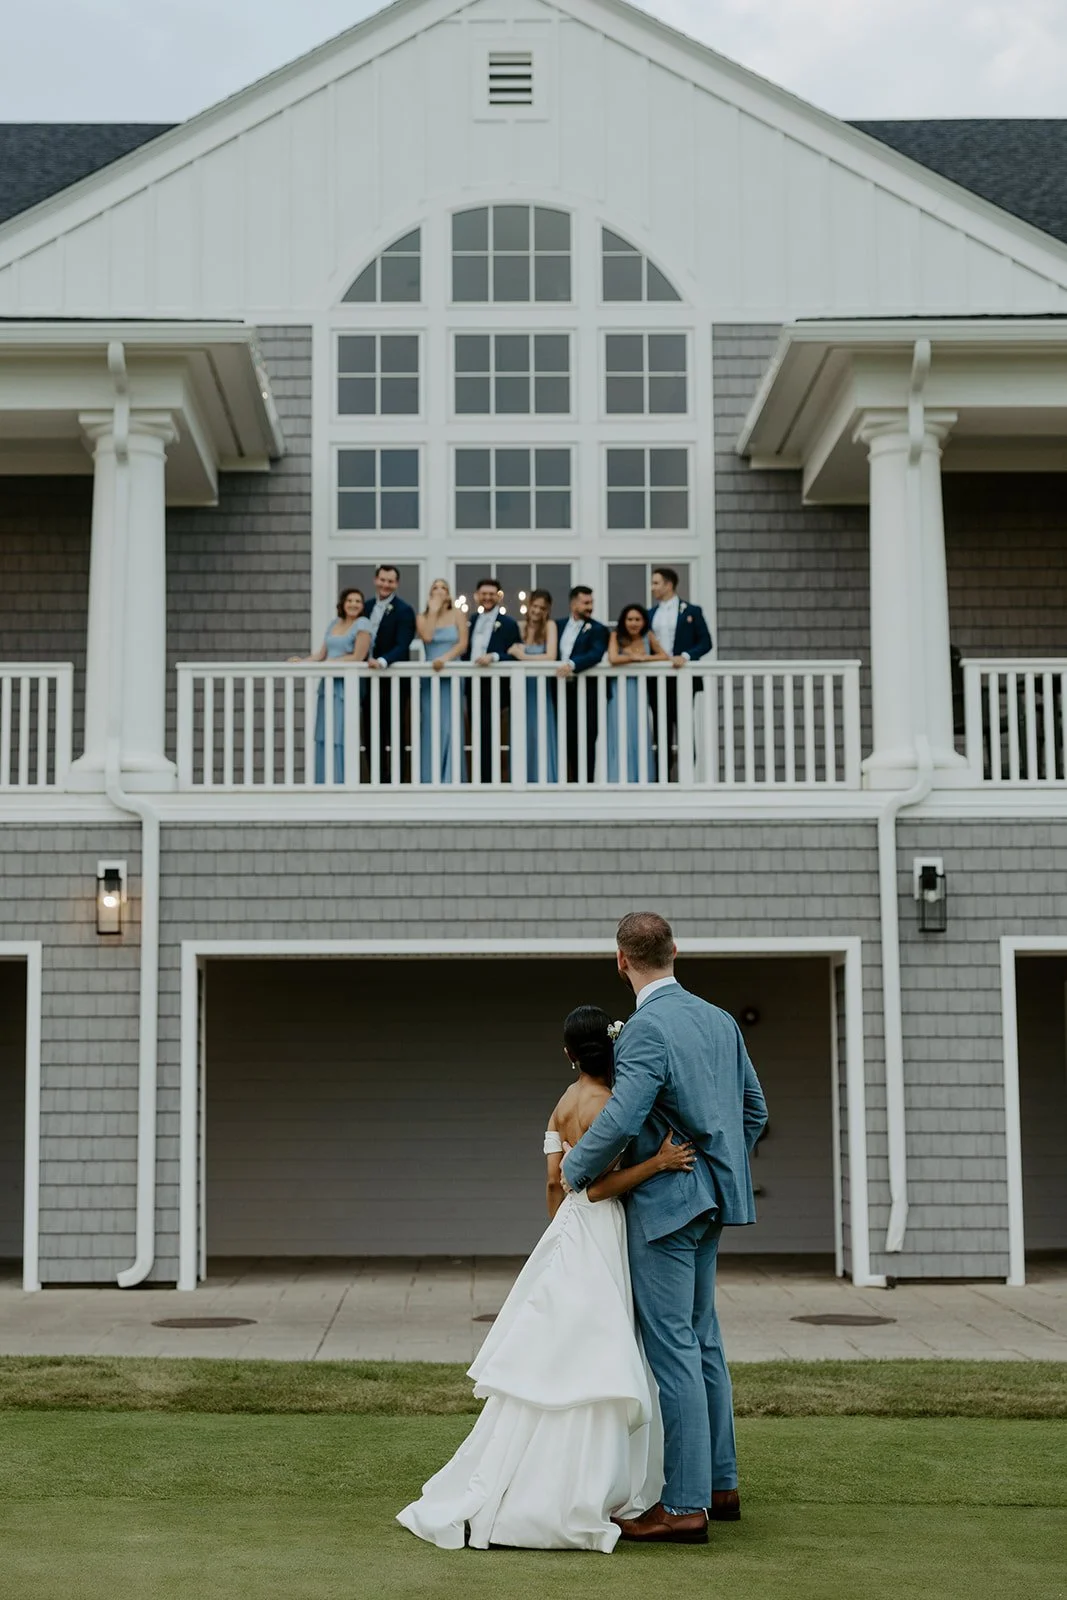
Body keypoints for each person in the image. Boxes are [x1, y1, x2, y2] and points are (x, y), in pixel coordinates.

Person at [397, 1004, 697, 1552]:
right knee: (594, 1351)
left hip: (566, 1234)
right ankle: (582, 1489)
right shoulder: (608, 1103)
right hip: (599, 1229)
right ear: (613, 1049)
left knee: (559, 1351)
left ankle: (526, 1483)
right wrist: (658, 1164)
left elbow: (556, 1184)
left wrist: (560, 1235)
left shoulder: (563, 1102)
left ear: (568, 1054)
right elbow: (596, 1187)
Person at [562, 912, 768, 1545]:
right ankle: (721, 1485)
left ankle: (683, 1507)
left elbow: (622, 1119)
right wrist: (716, 1174)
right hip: (710, 1206)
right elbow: (753, 1112)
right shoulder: (720, 1020)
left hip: (667, 1209)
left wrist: (575, 1168)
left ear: (621, 961)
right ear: (674, 951)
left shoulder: (646, 1029)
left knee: (674, 1349)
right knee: (703, 1341)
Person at [288, 587, 372, 784]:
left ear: (362, 606)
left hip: (346, 685)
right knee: (325, 730)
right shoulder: (335, 623)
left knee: (341, 731)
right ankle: (324, 779)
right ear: (343, 603)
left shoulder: (363, 624)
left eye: (358, 601)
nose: (353, 604)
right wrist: (301, 662)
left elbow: (358, 657)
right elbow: (321, 654)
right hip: (328, 683)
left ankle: (341, 779)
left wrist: (331, 664)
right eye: (350, 600)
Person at [647, 568, 713, 780]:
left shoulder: (692, 611)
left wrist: (685, 656)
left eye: (656, 583)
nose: (653, 588)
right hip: (657, 680)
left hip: (682, 680)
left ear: (669, 585)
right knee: (660, 729)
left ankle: (687, 777)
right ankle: (662, 778)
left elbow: (705, 642)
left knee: (684, 726)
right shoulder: (650, 615)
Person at [462, 577, 520, 782]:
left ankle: (493, 779)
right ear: (477, 596)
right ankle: (478, 777)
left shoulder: (508, 624)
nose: (487, 598)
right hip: (472, 685)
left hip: (495, 687)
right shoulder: (471, 620)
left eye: (491, 594)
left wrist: (494, 657)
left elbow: (515, 653)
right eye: (483, 594)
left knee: (493, 734)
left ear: (498, 597)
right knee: (476, 732)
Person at [364, 565, 416, 781]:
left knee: (394, 729)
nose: (386, 585)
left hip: (393, 679)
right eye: (382, 580)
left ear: (396, 584)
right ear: (376, 580)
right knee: (369, 729)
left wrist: (383, 661)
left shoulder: (404, 610)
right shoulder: (365, 607)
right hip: (367, 679)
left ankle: (396, 778)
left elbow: (403, 644)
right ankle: (376, 776)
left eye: (390, 581)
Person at [606, 604, 668, 783]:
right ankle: (618, 777)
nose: (634, 623)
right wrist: (633, 658)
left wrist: (645, 659)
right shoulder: (615, 636)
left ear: (644, 621)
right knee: (620, 731)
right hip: (619, 690)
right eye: (630, 619)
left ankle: (642, 777)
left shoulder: (647, 637)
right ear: (624, 621)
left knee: (640, 730)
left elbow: (664, 656)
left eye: (637, 619)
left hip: (640, 691)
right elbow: (613, 658)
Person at [415, 578, 468, 783]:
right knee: (432, 725)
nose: (439, 591)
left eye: (443, 588)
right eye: (435, 588)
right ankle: (430, 778)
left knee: (452, 727)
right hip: (431, 680)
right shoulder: (422, 617)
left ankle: (452, 778)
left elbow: (463, 643)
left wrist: (445, 659)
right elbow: (427, 637)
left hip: (451, 674)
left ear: (449, 594)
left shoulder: (458, 614)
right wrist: (434, 610)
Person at [555, 585, 608, 783]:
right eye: (586, 603)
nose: (590, 607)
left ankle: (584, 784)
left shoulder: (597, 629)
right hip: (559, 692)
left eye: (591, 603)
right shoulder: (557, 626)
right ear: (573, 603)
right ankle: (563, 783)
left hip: (586, 693)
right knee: (562, 739)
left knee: (586, 740)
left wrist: (572, 664)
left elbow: (595, 653)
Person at [508, 587, 559, 782]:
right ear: (528, 606)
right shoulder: (520, 627)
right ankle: (522, 778)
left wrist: (522, 656)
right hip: (521, 688)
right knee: (522, 732)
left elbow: (551, 657)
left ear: (547, 610)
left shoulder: (550, 627)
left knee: (541, 730)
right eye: (534, 606)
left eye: (542, 608)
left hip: (540, 689)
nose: (537, 611)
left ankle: (545, 778)